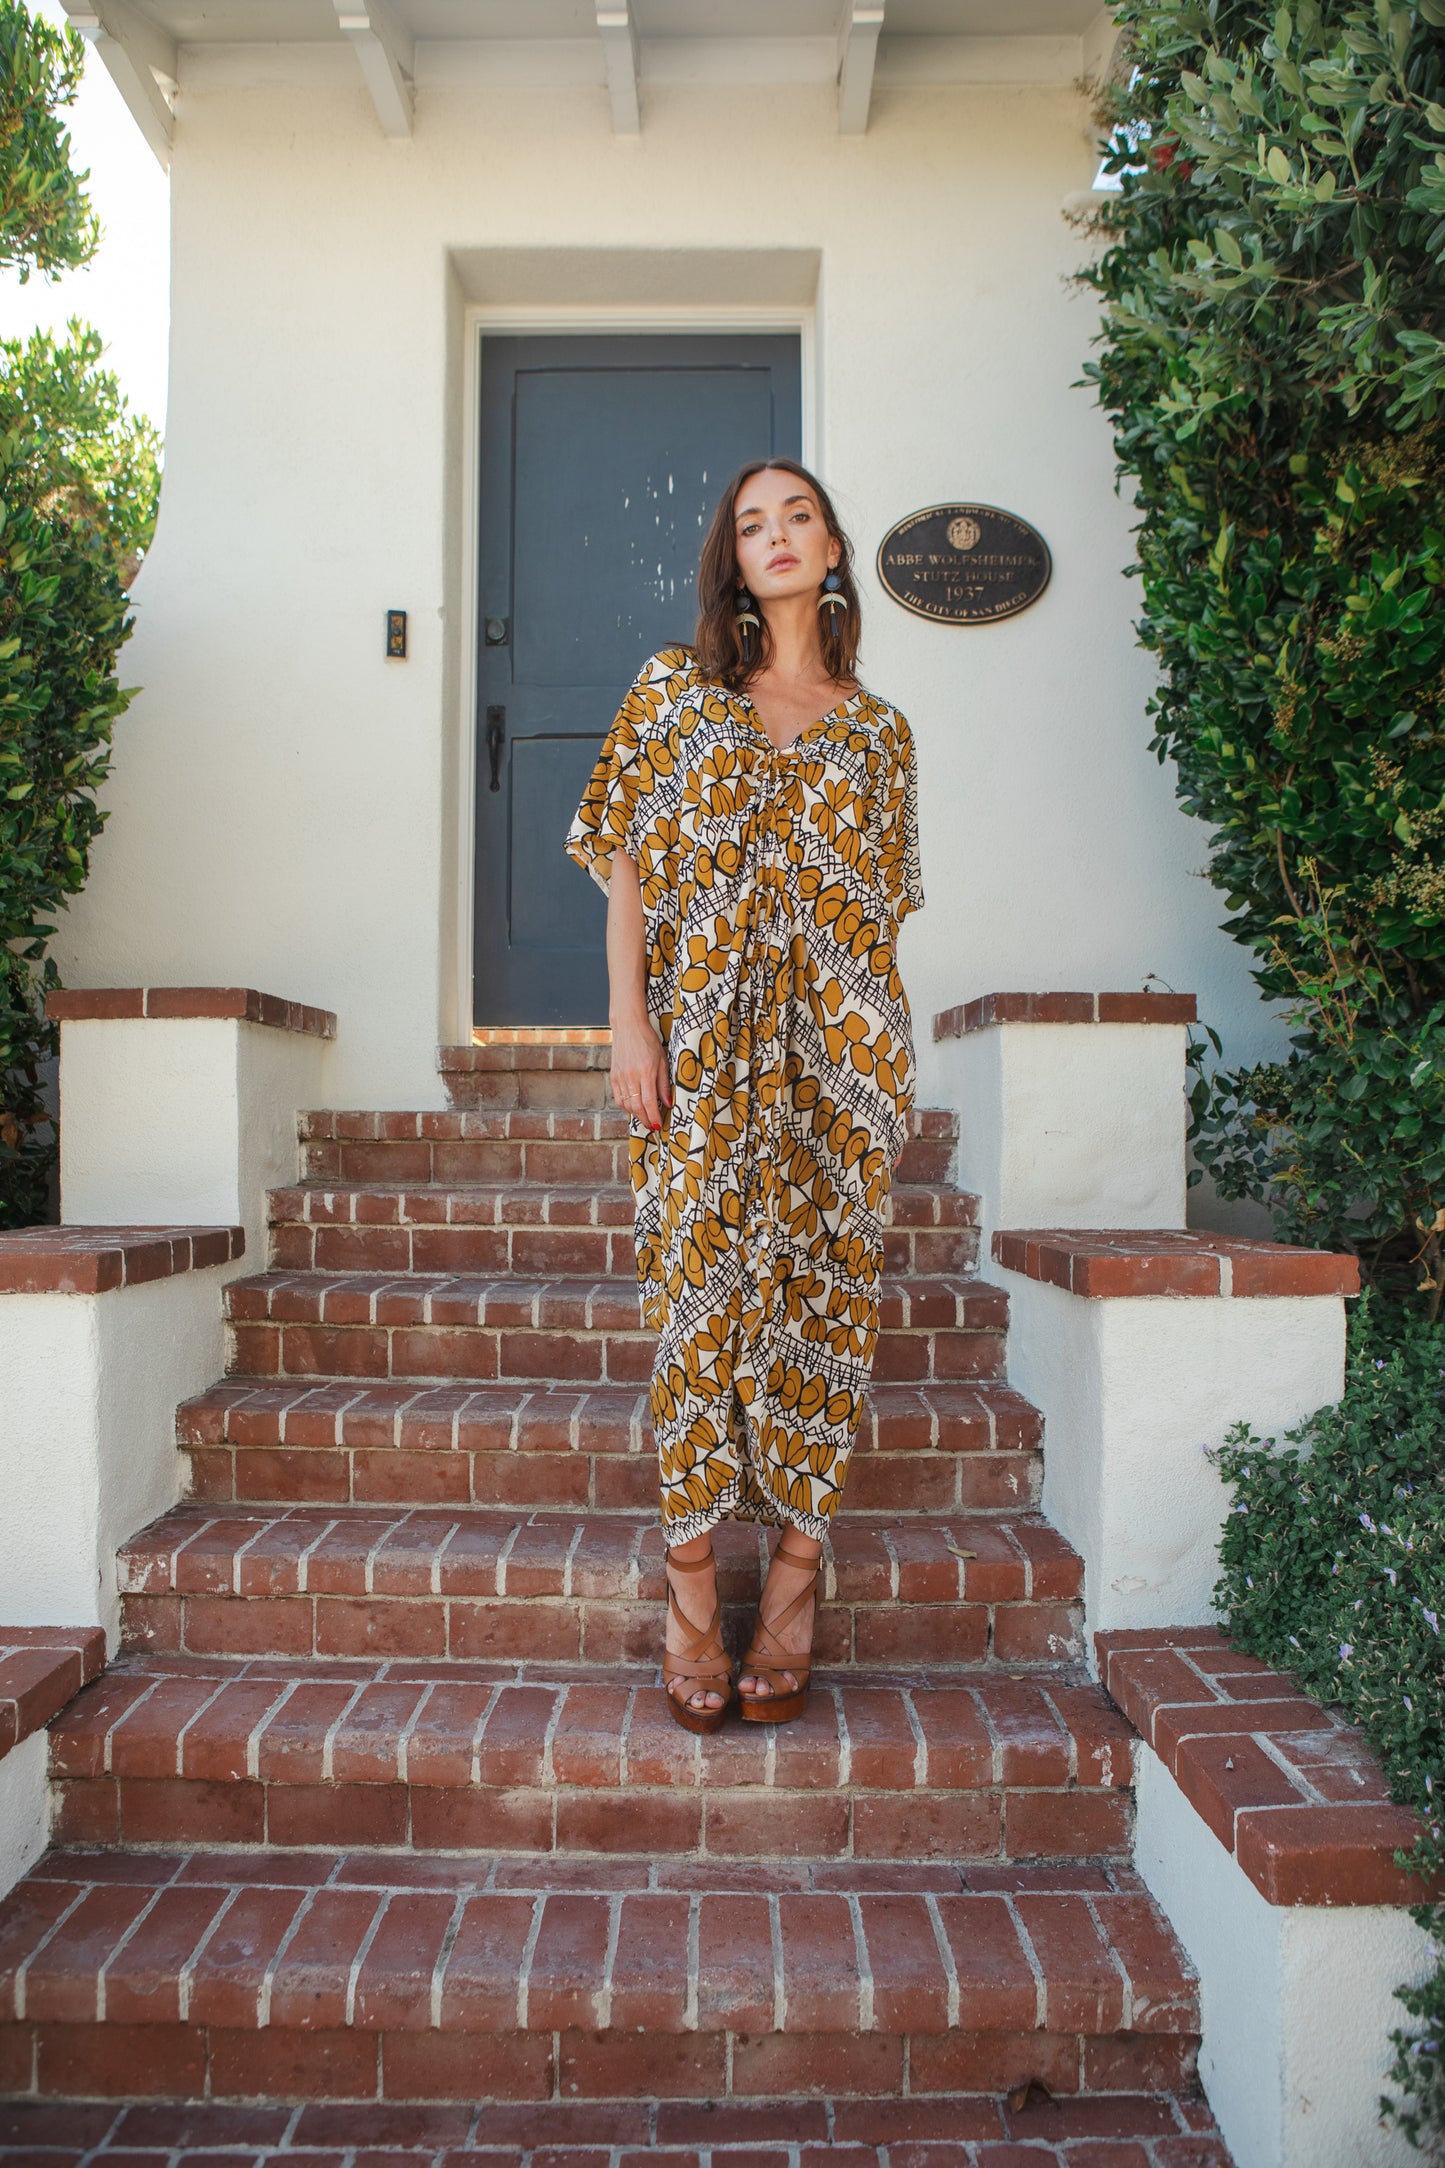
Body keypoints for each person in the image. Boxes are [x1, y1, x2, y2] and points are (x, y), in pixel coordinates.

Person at [563, 458, 924, 1733]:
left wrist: (872, 1066)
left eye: (798, 517)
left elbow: (879, 913)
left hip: (837, 1071)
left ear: (830, 551)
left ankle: (791, 1581)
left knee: (823, 1318)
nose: (775, 536)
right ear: (732, 555)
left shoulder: (878, 733)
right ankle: (688, 1583)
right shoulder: (673, 690)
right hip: (702, 1058)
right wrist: (631, 1024)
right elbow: (623, 861)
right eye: (751, 523)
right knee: (696, 1314)